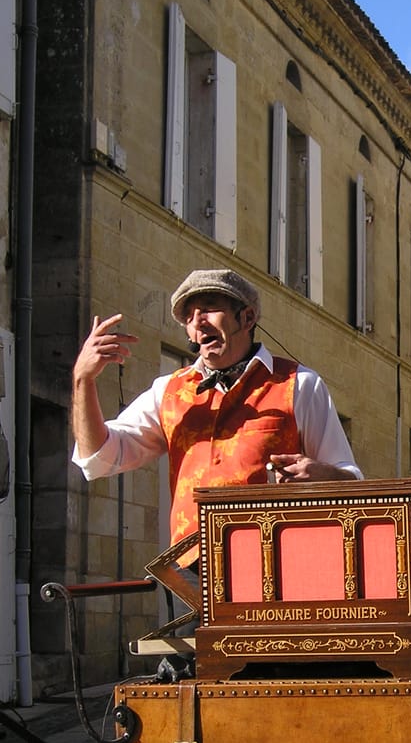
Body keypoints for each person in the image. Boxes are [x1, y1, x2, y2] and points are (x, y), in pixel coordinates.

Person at [72, 268, 362, 676]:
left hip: (282, 573)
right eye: (189, 317)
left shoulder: (299, 384)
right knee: (204, 700)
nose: (197, 324)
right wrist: (83, 381)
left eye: (208, 309)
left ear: (246, 317)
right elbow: (98, 457)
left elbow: (352, 481)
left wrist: (322, 475)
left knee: (282, 690)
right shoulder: (168, 392)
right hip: (195, 576)